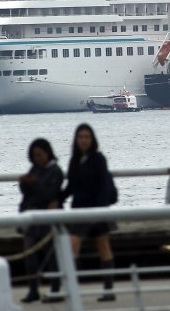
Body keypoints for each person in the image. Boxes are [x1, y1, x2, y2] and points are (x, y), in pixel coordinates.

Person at [56, 124, 118, 302]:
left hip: (96, 210)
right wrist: (57, 199)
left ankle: (108, 289)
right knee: (73, 245)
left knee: (103, 247)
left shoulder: (98, 159)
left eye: (87, 137)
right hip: (79, 210)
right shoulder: (75, 160)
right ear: (76, 140)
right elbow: (71, 187)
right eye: (81, 137)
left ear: (92, 140)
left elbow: (104, 186)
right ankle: (73, 288)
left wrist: (99, 210)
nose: (83, 140)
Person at [18, 138, 64, 304]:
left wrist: (34, 184)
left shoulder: (55, 171)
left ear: (47, 153)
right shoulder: (35, 169)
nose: (37, 158)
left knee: (51, 255)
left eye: (40, 154)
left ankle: (55, 288)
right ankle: (33, 289)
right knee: (30, 255)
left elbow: (50, 194)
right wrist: (24, 184)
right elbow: (28, 194)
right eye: (34, 155)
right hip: (32, 217)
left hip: (47, 217)